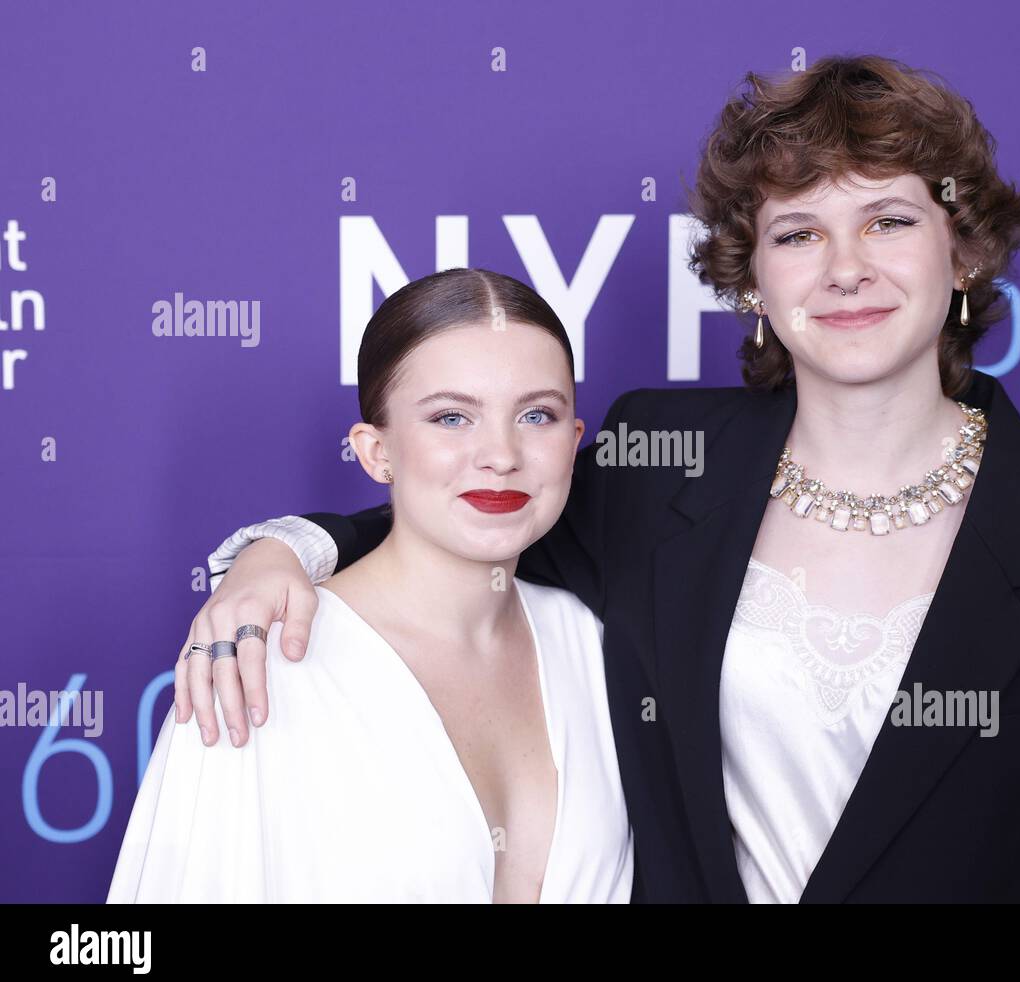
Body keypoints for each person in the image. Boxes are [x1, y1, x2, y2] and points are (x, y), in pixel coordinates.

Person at [170, 55, 1020, 903]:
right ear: (752, 278)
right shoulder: (661, 463)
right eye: (797, 233)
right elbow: (465, 518)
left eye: (887, 221)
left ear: (963, 252)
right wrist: (281, 552)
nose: (844, 267)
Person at [108, 268, 633, 903]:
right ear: (375, 451)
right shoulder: (257, 666)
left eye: (537, 414)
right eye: (450, 417)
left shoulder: (600, 645)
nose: (500, 453)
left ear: (574, 443)